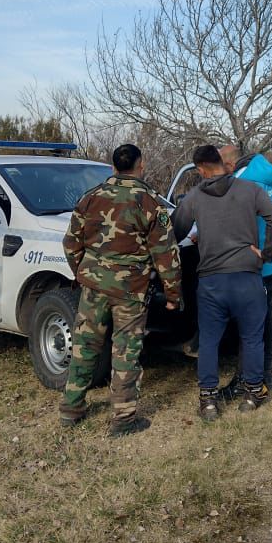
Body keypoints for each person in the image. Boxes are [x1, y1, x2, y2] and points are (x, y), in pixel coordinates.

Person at [60, 144, 181, 436]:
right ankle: (123, 418)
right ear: (141, 165)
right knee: (126, 352)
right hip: (131, 290)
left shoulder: (90, 198)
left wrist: (82, 273)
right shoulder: (150, 202)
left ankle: (71, 409)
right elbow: (166, 253)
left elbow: (70, 243)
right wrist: (173, 295)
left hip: (94, 287)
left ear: (113, 167)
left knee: (84, 347)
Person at [173, 145, 272, 421]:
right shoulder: (250, 190)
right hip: (246, 276)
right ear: (223, 163)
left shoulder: (194, 197)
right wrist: (267, 253)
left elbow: (175, 230)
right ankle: (252, 393)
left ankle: (208, 400)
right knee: (252, 336)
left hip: (212, 280)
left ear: (200, 169)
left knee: (209, 340)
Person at [219, 144, 272, 396]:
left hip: (253, 258)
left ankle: (249, 378)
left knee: (251, 323)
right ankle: (264, 371)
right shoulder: (266, 173)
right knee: (265, 316)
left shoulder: (241, 180)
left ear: (229, 165)